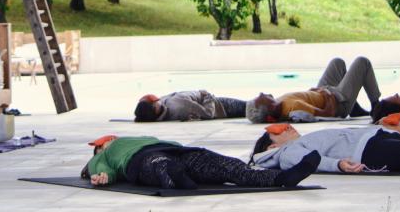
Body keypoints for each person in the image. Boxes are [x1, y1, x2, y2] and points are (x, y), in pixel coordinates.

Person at [81, 134, 321, 190]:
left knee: (229, 166)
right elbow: (98, 169)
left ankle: (282, 177)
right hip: (143, 159)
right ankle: (178, 179)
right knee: (159, 164)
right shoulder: (104, 154)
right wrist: (103, 176)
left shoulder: (137, 137)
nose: (107, 140)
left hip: (180, 153)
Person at [250, 121, 400, 174]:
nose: (288, 126)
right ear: (271, 146)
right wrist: (338, 164)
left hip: (376, 138)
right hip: (369, 152)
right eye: (279, 130)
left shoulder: (296, 143)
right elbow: (306, 161)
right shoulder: (286, 151)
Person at [245, 56, 381, 124]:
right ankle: (377, 106)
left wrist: (314, 92)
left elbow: (303, 98)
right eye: (261, 98)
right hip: (338, 101)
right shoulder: (293, 108)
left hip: (322, 92)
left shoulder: (281, 103)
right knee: (362, 62)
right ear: (270, 114)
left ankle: (355, 109)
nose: (261, 93)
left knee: (337, 63)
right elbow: (327, 114)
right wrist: (327, 96)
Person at [134, 91, 247, 122]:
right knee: (251, 107)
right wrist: (207, 96)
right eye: (153, 101)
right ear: (155, 108)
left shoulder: (164, 105)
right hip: (223, 106)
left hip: (218, 105)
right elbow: (208, 113)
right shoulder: (180, 105)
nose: (157, 99)